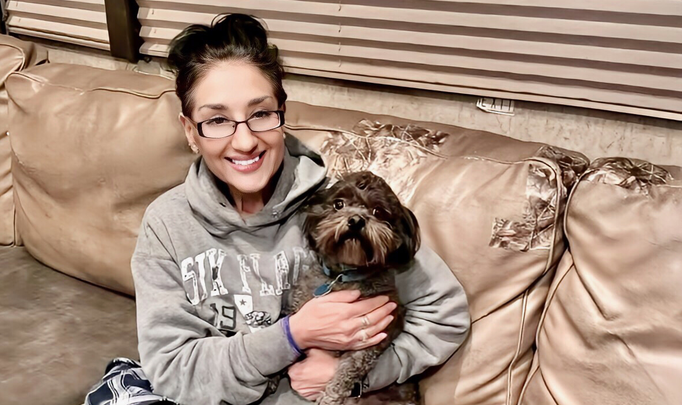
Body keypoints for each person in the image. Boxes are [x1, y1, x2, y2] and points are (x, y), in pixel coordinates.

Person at [129, 13, 469, 405]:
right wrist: (291, 337)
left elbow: (444, 316)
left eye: (260, 114)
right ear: (191, 131)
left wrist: (354, 377)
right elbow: (172, 371)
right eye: (217, 119)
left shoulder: (335, 208)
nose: (245, 141)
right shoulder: (167, 224)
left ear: (281, 114)